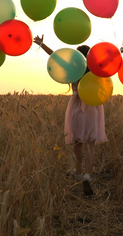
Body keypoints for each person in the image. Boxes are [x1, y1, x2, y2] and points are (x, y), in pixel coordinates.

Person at [33, 35, 108, 196]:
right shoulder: (96, 70)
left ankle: (78, 171)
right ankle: (88, 175)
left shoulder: (73, 69)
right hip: (93, 109)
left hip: (76, 109)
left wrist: (42, 44)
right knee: (91, 144)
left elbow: (56, 57)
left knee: (78, 142)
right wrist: (121, 51)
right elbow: (110, 62)